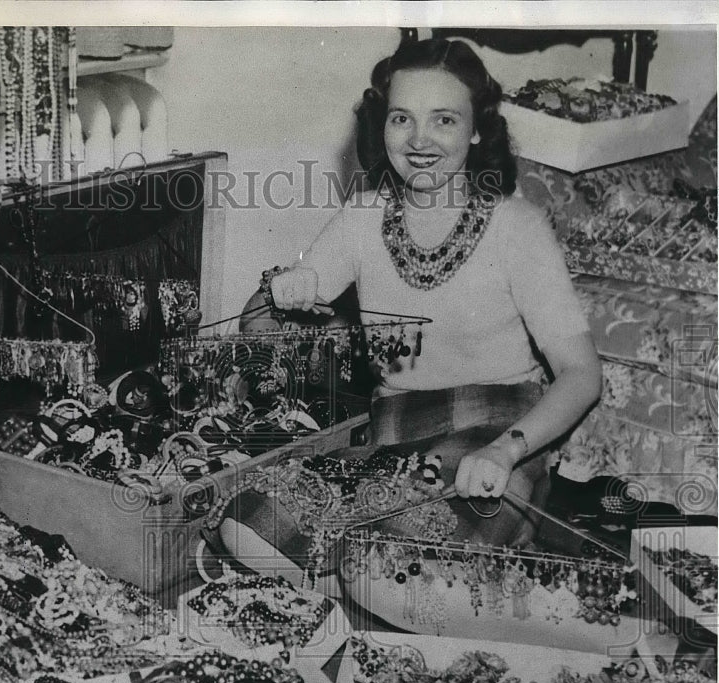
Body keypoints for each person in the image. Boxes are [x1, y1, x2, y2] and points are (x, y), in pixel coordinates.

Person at [240, 38, 601, 521]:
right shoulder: (362, 218)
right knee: (250, 521)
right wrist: (281, 292)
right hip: (394, 435)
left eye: (444, 119)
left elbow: (583, 375)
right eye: (402, 117)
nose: (418, 140)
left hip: (495, 437)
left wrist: (506, 451)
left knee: (399, 559)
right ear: (383, 123)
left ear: (476, 130)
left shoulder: (518, 227)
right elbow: (256, 322)